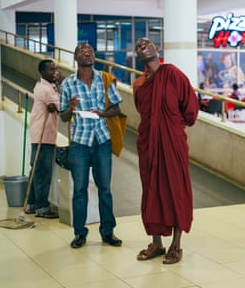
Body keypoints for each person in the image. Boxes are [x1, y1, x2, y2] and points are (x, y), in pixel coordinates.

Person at [132, 37, 199, 264]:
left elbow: (190, 108)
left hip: (172, 141)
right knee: (151, 190)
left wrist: (172, 124)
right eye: (138, 47)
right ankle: (157, 243)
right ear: (137, 56)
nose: (143, 47)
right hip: (148, 143)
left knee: (175, 189)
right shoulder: (139, 84)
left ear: (156, 48)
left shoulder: (172, 74)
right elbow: (143, 111)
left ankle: (176, 245)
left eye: (146, 43)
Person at [59, 43, 123, 249]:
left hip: (102, 141)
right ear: (76, 58)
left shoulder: (104, 80)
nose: (88, 54)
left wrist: (103, 113)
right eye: (83, 52)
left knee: (105, 188)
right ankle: (79, 233)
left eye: (91, 52)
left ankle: (108, 232)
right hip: (79, 143)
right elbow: (63, 116)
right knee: (79, 189)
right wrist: (70, 108)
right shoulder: (68, 84)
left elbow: (116, 108)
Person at [25, 59, 60, 219]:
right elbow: (62, 106)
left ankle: (31, 205)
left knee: (36, 171)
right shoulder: (45, 90)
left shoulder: (45, 86)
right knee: (43, 174)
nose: (55, 72)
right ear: (43, 72)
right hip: (43, 136)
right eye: (52, 70)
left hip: (41, 134)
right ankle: (42, 208)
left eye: (55, 69)